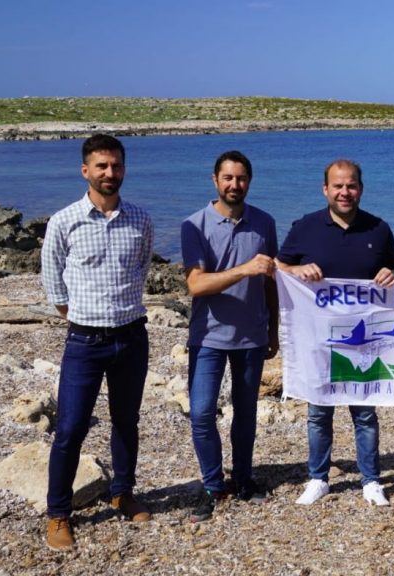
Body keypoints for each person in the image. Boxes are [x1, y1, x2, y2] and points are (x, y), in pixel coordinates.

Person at [40, 134, 154, 551]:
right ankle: (58, 514)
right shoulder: (64, 221)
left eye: (116, 166)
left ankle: (122, 492)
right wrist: (85, 319)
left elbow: (141, 269)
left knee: (127, 422)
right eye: (102, 166)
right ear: (85, 170)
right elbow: (54, 285)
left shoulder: (140, 219)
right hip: (85, 343)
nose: (110, 173)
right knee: (70, 428)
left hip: (131, 337)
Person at [276, 159, 394, 506]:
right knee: (319, 412)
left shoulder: (378, 228)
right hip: (317, 338)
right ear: (325, 189)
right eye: (338, 186)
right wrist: (297, 268)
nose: (345, 192)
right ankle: (318, 477)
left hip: (363, 340)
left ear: (360, 188)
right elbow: (277, 265)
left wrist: (393, 273)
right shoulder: (305, 227)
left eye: (351, 186)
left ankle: (371, 479)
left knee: (364, 412)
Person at [180, 150, 279, 522]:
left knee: (246, 413)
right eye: (227, 178)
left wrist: (274, 328)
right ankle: (211, 485)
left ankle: (243, 478)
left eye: (241, 178)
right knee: (202, 413)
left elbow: (271, 280)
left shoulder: (264, 223)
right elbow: (196, 284)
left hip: (252, 336)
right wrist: (245, 269)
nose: (234, 184)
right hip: (207, 337)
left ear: (249, 182)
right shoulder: (195, 225)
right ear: (215, 180)